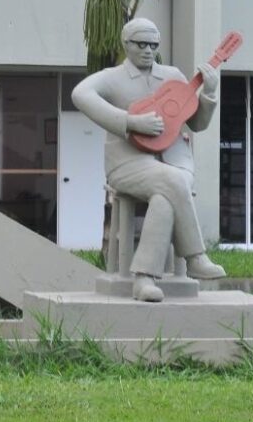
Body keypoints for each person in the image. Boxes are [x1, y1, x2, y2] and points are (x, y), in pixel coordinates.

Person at [72, 18, 227, 302]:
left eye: (153, 45)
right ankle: (195, 257)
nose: (148, 51)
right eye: (141, 44)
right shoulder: (113, 77)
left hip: (175, 160)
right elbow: (80, 94)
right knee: (171, 184)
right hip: (128, 162)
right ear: (126, 43)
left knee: (166, 191)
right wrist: (129, 122)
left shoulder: (173, 76)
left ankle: (144, 279)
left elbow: (196, 124)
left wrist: (209, 93)